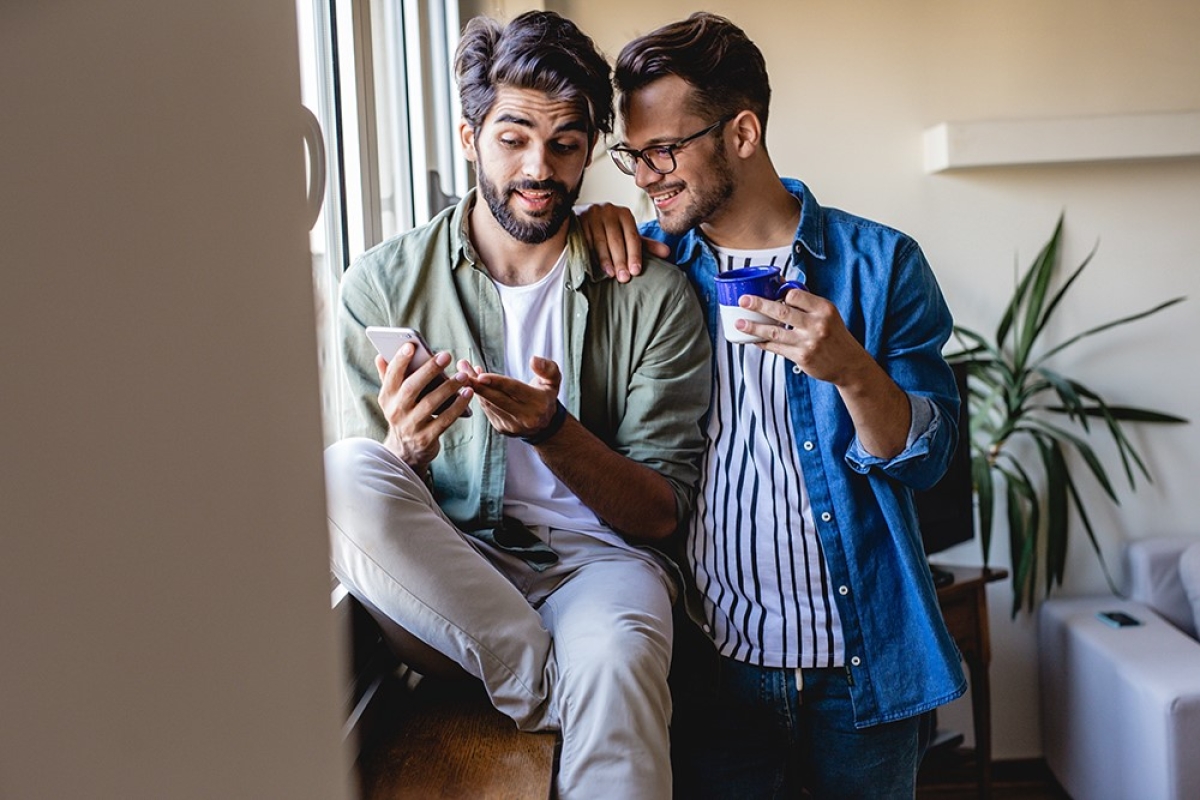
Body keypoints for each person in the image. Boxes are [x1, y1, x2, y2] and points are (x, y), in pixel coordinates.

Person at [323, 11, 711, 800]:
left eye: (566, 143)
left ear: (591, 149)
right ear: (469, 138)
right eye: (513, 139)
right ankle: (556, 689)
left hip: (602, 568)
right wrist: (408, 450)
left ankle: (568, 684)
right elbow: (372, 513)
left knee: (623, 657)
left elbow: (662, 515)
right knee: (343, 471)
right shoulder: (381, 284)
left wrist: (552, 431)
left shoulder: (652, 294)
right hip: (454, 578)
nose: (540, 167)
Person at [579, 12, 966, 799]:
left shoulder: (883, 265)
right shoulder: (646, 270)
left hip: (864, 674)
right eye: (633, 153)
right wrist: (594, 227)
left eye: (663, 150)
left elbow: (930, 456)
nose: (644, 175)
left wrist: (852, 371)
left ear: (743, 133)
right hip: (714, 668)